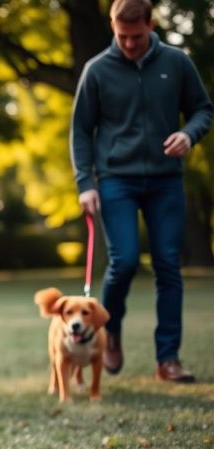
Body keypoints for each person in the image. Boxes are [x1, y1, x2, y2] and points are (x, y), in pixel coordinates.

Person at [70, 0, 211, 383]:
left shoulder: (176, 63)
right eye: (122, 36)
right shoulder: (97, 69)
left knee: (168, 265)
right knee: (125, 260)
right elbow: (80, 130)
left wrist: (189, 134)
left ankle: (168, 358)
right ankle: (110, 331)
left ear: (151, 25)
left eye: (136, 36)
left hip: (166, 180)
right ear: (113, 28)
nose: (129, 44)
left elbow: (203, 109)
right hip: (116, 179)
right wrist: (85, 183)